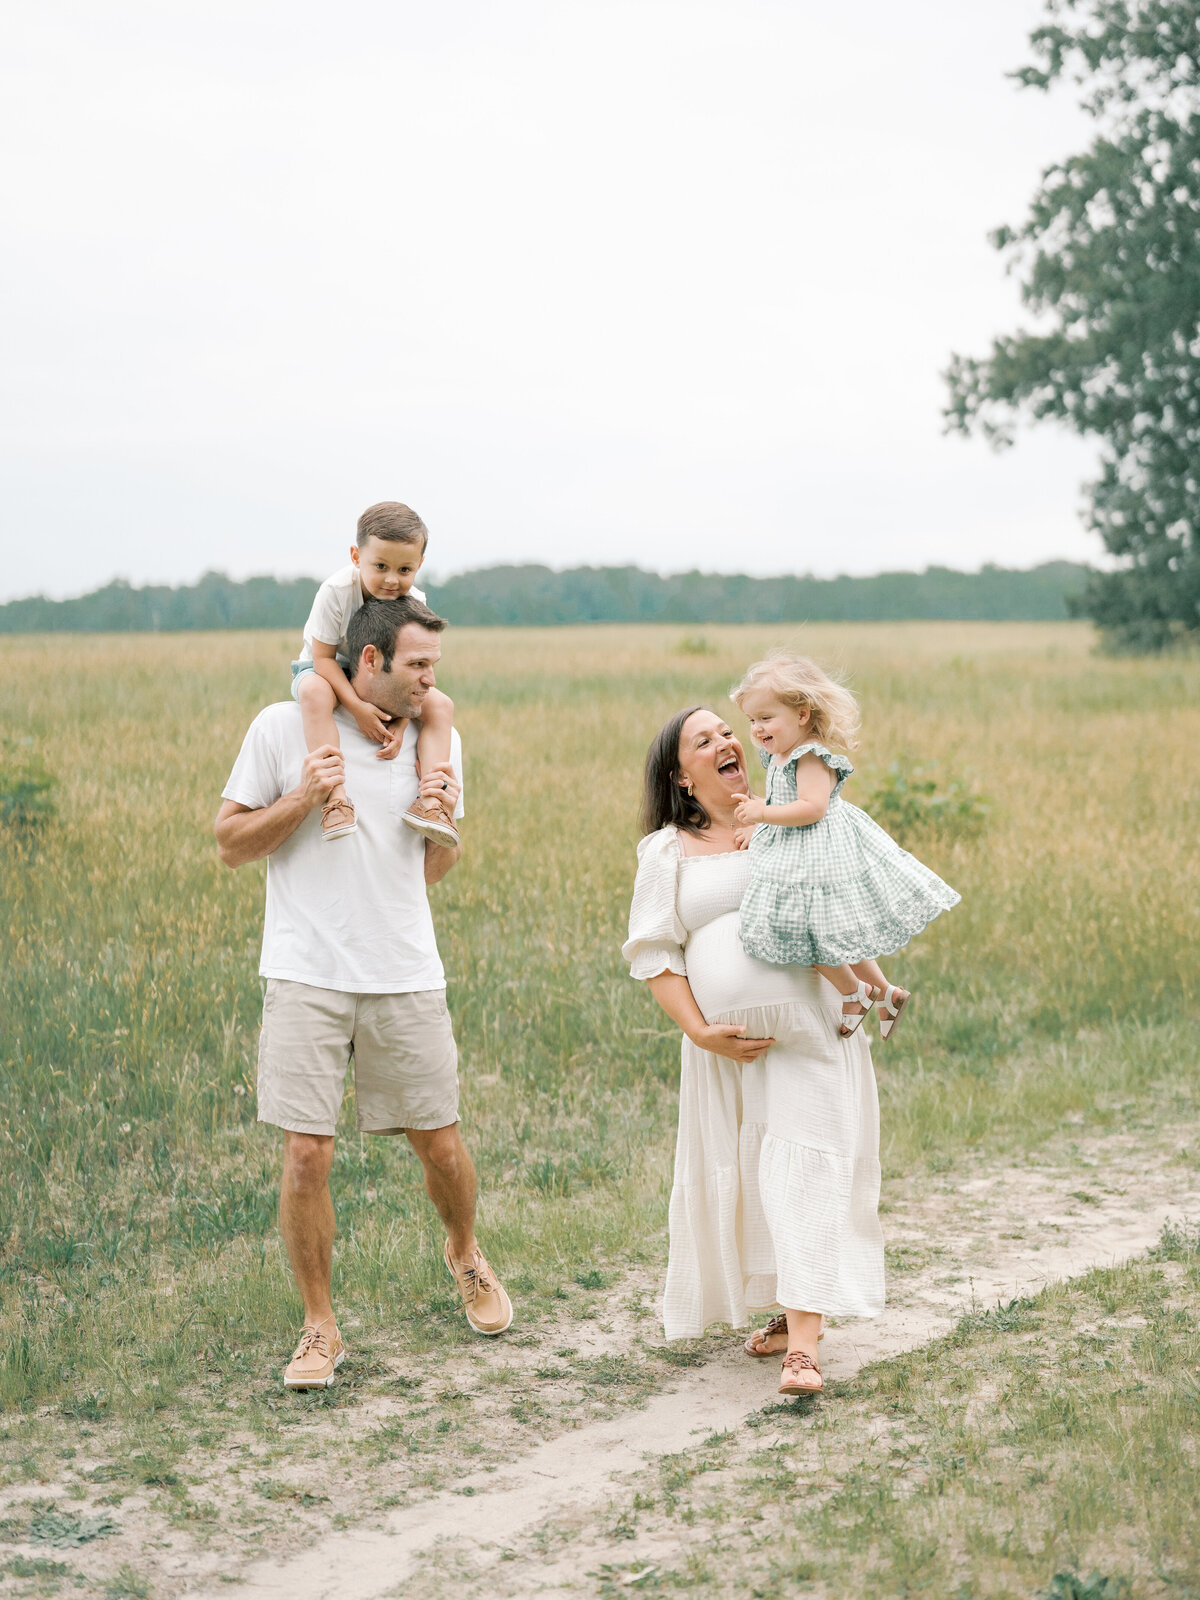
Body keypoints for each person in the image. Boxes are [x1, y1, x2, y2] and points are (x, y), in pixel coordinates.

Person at [215, 594, 512, 1391]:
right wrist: (304, 798)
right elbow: (229, 844)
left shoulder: (433, 738)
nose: (430, 681)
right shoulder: (283, 727)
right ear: (370, 661)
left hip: (404, 970)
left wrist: (444, 821)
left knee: (440, 1143)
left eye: (434, 667)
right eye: (418, 666)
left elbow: (431, 870)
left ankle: (465, 1254)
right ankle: (319, 1327)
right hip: (306, 970)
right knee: (307, 1155)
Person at [622, 707, 884, 1396]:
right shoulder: (666, 852)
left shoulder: (786, 819)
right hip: (728, 1053)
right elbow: (655, 954)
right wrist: (699, 1031)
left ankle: (803, 1347)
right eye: (702, 742)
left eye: (726, 732)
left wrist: (874, 983)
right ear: (681, 775)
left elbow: (834, 908)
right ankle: (787, 1307)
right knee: (757, 1181)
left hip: (811, 1033)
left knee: (805, 1168)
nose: (726, 743)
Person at [730, 653, 960, 1039]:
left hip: (819, 854)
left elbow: (811, 807)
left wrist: (761, 816)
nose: (756, 729)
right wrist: (763, 826)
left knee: (808, 932)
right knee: (835, 933)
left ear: (802, 714)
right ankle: (887, 994)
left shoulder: (811, 756)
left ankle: (855, 992)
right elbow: (781, 801)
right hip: (800, 848)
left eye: (766, 718)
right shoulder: (780, 753)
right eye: (752, 720)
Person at [292, 500, 458, 848]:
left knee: (441, 707)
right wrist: (356, 708)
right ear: (356, 556)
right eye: (380, 565)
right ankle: (336, 799)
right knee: (314, 695)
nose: (391, 580)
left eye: (404, 569)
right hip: (329, 667)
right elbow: (322, 659)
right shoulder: (336, 593)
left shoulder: (414, 598)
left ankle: (433, 803)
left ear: (420, 565)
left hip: (380, 672)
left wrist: (399, 725)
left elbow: (408, 669)